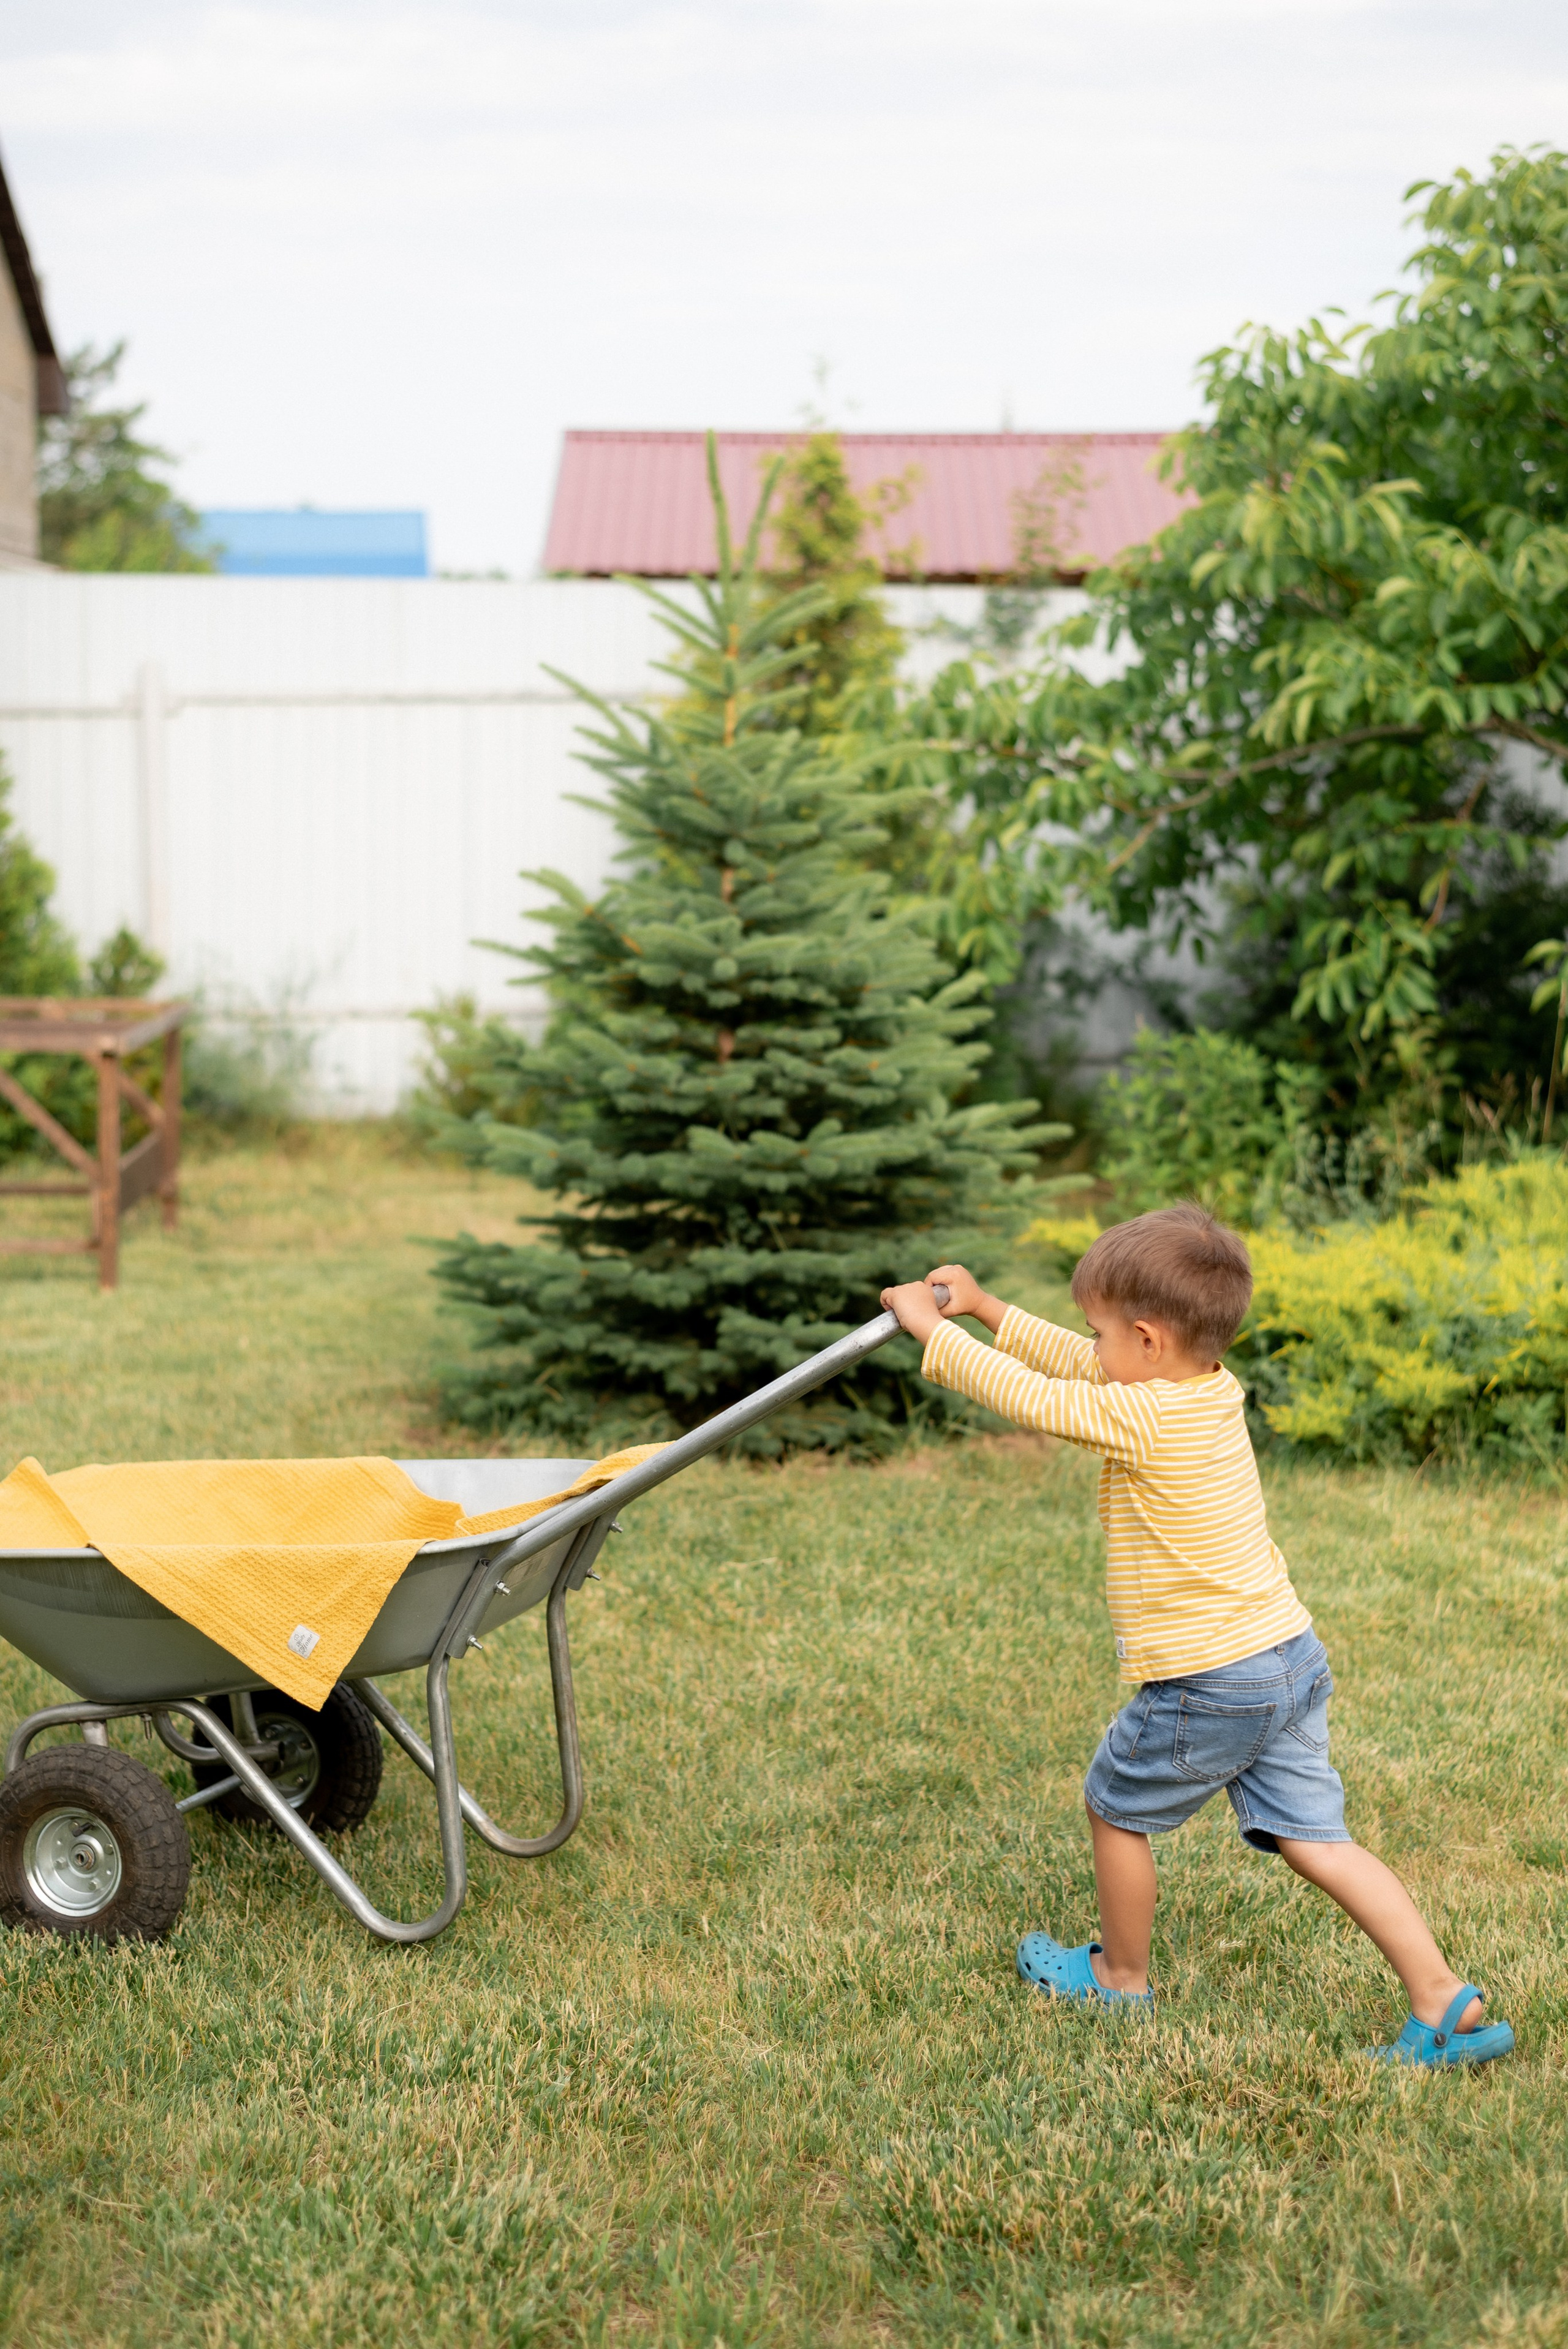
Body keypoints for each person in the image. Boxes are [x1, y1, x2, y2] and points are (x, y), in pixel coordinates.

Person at [880, 1204, 1513, 2067]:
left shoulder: (1143, 1416)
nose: (1091, 1345)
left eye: (1104, 1331)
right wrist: (989, 1311)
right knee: (1320, 1840)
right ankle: (1443, 1998)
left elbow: (1030, 1395)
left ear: (1147, 1342)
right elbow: (1078, 1364)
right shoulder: (1205, 1386)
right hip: (1287, 1656)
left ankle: (1120, 1978)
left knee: (1114, 1808)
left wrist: (932, 1335)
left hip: (1212, 1677)